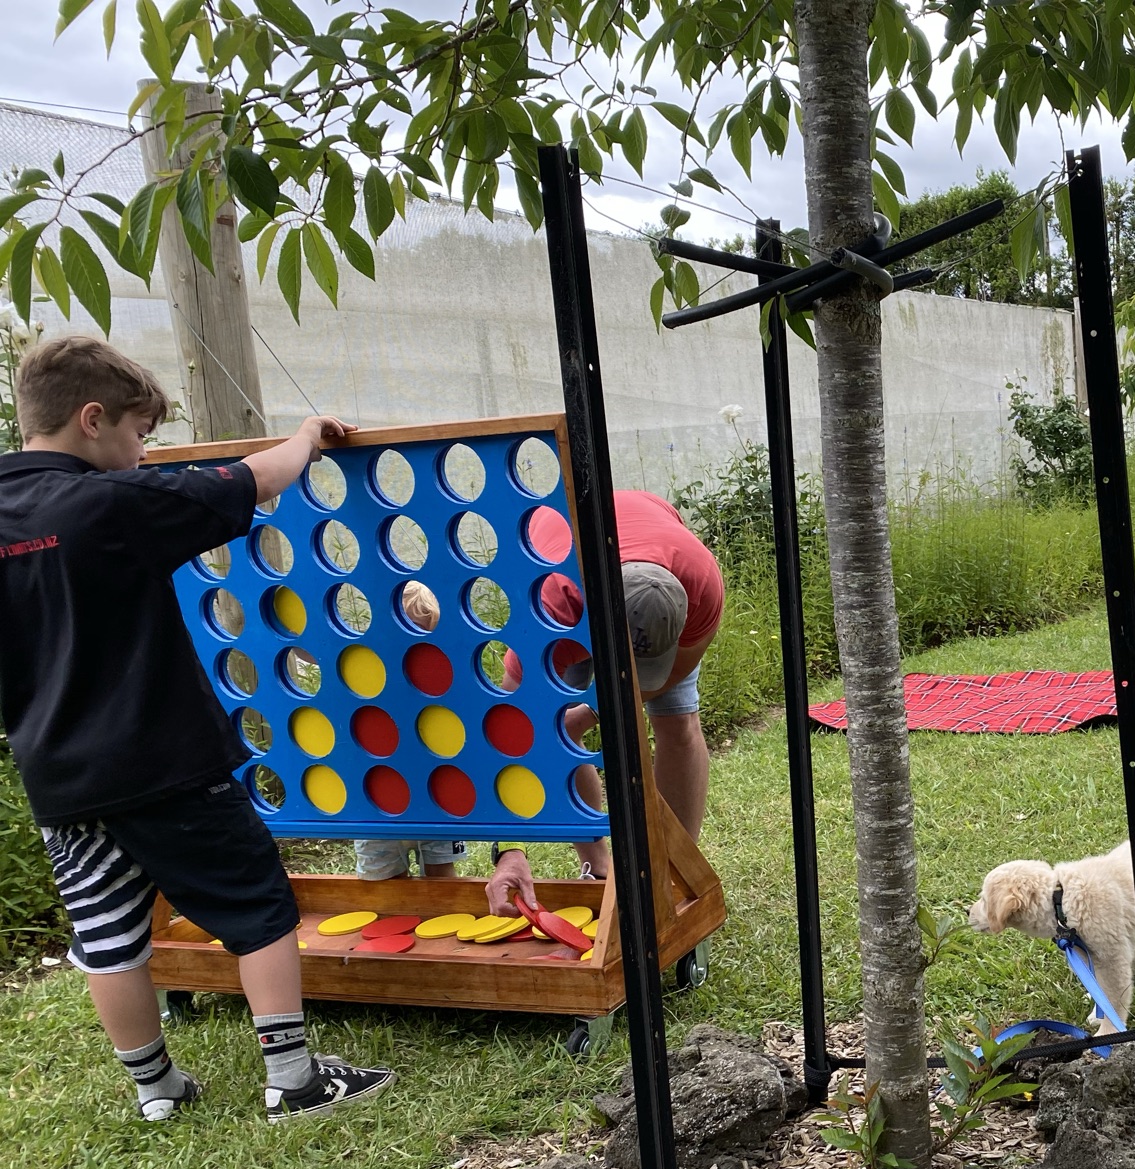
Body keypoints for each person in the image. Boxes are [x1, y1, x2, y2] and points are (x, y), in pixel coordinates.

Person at [0, 336, 393, 1123]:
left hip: (58, 778)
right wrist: (309, 436)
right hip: (165, 762)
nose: (142, 452)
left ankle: (157, 1093)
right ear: (91, 419)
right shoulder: (109, 505)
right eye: (139, 433)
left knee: (107, 934)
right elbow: (256, 480)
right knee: (259, 907)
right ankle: (295, 1079)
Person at [488, 490, 724, 916]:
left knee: (678, 724)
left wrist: (593, 711)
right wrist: (509, 848)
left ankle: (674, 872)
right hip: (566, 566)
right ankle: (597, 867)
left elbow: (666, 677)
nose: (634, 673)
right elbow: (513, 731)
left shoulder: (701, 584)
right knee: (555, 730)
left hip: (652, 545)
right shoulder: (549, 605)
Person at [353, 582, 464, 881]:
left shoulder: (441, 673)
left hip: (435, 799)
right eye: (400, 631)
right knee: (384, 883)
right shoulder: (365, 668)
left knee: (444, 878)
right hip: (377, 800)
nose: (410, 644)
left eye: (421, 633)